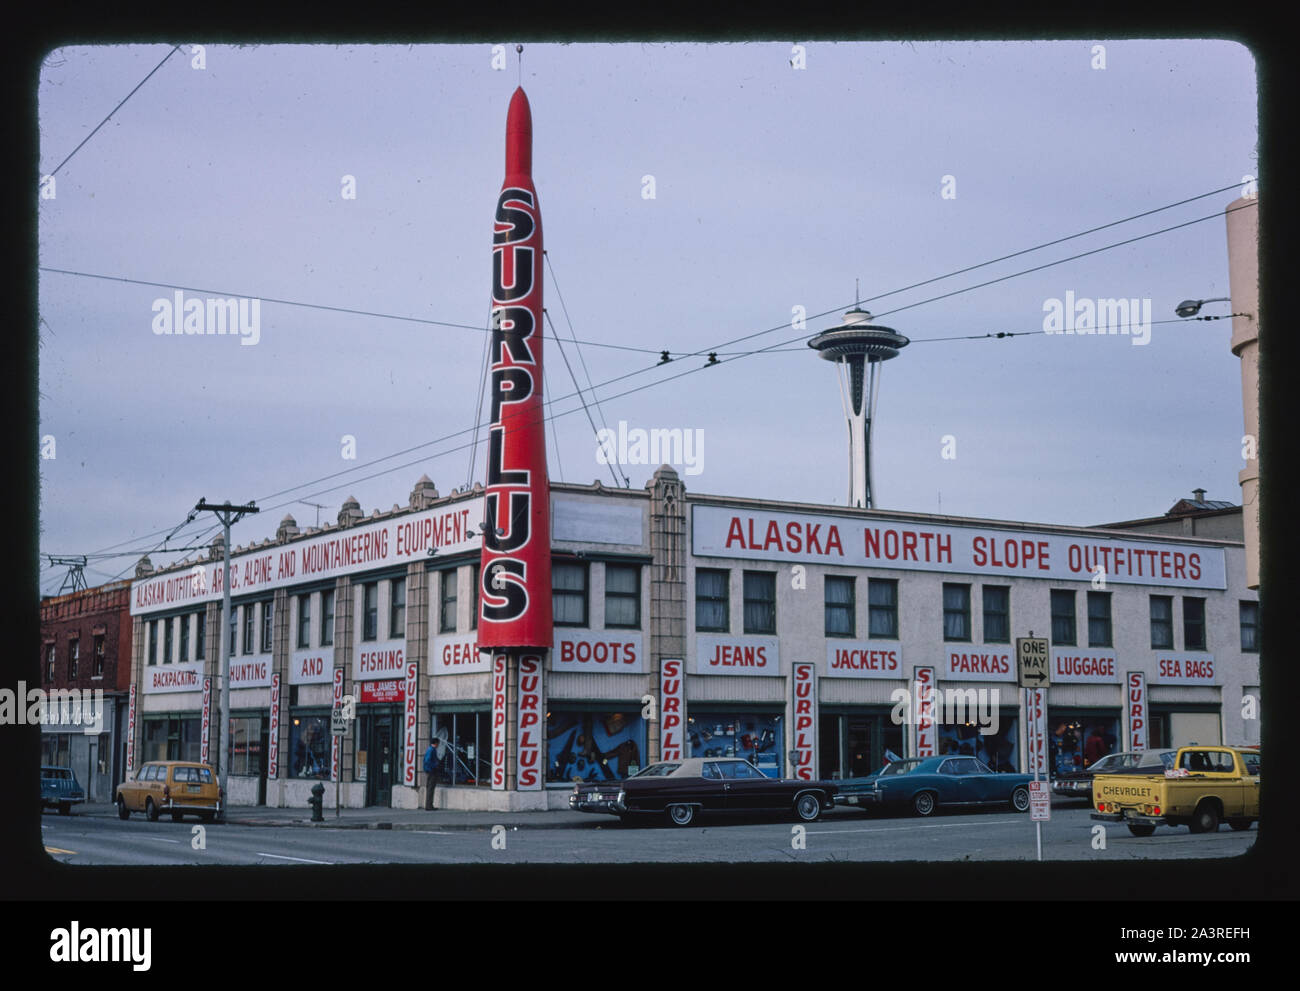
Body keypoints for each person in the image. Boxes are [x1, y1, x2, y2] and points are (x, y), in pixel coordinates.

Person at [423, 738, 441, 810]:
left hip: (429, 770)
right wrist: (435, 765)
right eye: (438, 744)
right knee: (430, 788)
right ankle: (429, 806)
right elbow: (427, 761)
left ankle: (429, 805)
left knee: (430, 788)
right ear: (436, 743)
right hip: (431, 771)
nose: (438, 745)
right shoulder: (432, 750)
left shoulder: (430, 749)